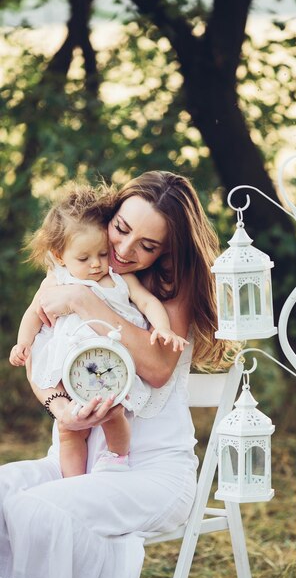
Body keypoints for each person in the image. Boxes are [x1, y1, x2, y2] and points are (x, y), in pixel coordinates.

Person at [0, 171, 232, 578]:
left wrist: (86, 303)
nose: (124, 251)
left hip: (153, 474)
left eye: (147, 246)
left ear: (168, 250)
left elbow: (159, 368)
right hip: (73, 462)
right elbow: (41, 361)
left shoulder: (170, 287)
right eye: (121, 230)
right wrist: (61, 409)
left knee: (37, 510)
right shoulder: (75, 265)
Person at [9, 184, 188, 477]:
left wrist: (163, 328)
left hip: (110, 368)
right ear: (60, 255)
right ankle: (73, 481)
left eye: (102, 254)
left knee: (113, 413)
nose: (97, 264)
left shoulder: (118, 277)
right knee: (69, 430)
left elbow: (147, 301)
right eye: (85, 258)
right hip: (72, 371)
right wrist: (23, 344)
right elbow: (34, 315)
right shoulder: (57, 280)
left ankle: (116, 459)